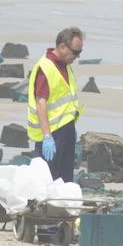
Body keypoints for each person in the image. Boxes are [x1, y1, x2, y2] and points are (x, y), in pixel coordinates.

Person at [26, 26, 84, 182]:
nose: (76, 57)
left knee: (64, 179)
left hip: (66, 130)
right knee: (46, 178)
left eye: (80, 53)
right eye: (75, 52)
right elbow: (41, 102)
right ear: (62, 46)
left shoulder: (65, 65)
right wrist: (47, 136)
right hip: (52, 133)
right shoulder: (46, 67)